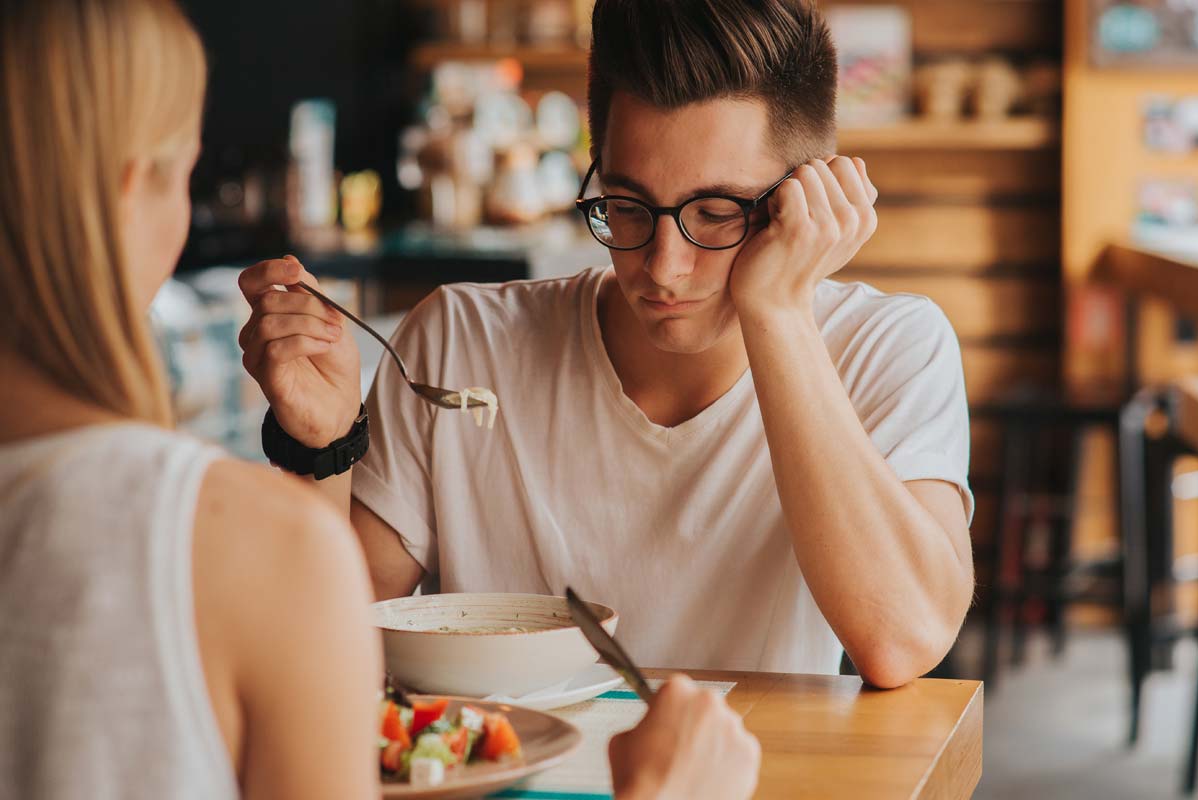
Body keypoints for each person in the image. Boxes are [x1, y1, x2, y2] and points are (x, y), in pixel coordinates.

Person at [0, 1, 759, 798]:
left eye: (715, 211)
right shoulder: (239, 546)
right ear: (131, 192)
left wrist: (324, 444)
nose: (667, 266)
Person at [239, 0, 973, 690]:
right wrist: (321, 445)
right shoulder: (459, 342)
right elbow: (324, 650)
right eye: (624, 206)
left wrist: (777, 311)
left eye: (715, 214)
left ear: (802, 203)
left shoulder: (885, 348)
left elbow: (901, 638)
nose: (661, 266)